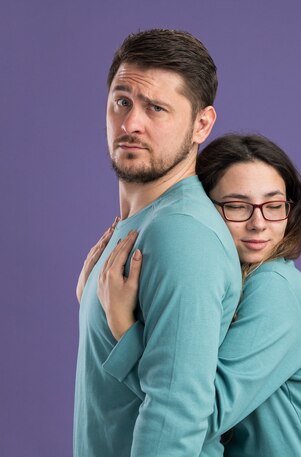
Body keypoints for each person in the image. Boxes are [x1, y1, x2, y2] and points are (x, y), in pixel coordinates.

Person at [88, 134, 301, 456]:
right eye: (237, 206)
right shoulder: (230, 283)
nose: (258, 223)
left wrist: (120, 328)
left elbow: (199, 413)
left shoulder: (274, 287)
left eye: (274, 206)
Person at [73, 30, 242, 457]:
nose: (131, 123)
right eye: (121, 101)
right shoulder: (146, 223)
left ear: (201, 124)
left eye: (157, 108)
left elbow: (176, 415)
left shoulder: (182, 233)